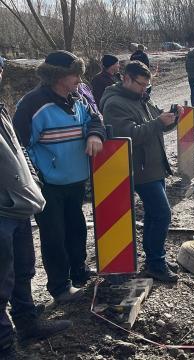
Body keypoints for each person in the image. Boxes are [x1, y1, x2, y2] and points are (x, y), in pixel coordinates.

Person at [12, 51, 106, 303]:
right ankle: (60, 287)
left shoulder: (77, 98)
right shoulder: (32, 104)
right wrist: (36, 178)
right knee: (54, 236)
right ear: (57, 75)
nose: (79, 78)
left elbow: (96, 118)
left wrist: (94, 134)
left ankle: (79, 274)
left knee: (76, 230)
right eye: (74, 73)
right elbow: (18, 146)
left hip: (75, 182)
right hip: (48, 186)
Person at [0, 56, 73, 360]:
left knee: (22, 269)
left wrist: (32, 180)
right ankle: (5, 347)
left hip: (18, 204)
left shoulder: (2, 108)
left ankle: (27, 323)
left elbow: (19, 148)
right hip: (3, 209)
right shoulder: (30, 103)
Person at [100, 61, 182, 282]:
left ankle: (154, 259)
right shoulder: (115, 103)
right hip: (139, 170)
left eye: (147, 85)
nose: (145, 89)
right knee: (162, 214)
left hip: (154, 167)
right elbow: (128, 135)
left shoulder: (141, 98)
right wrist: (158, 122)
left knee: (155, 215)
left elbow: (157, 125)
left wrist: (172, 119)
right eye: (141, 84)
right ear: (126, 78)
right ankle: (156, 263)